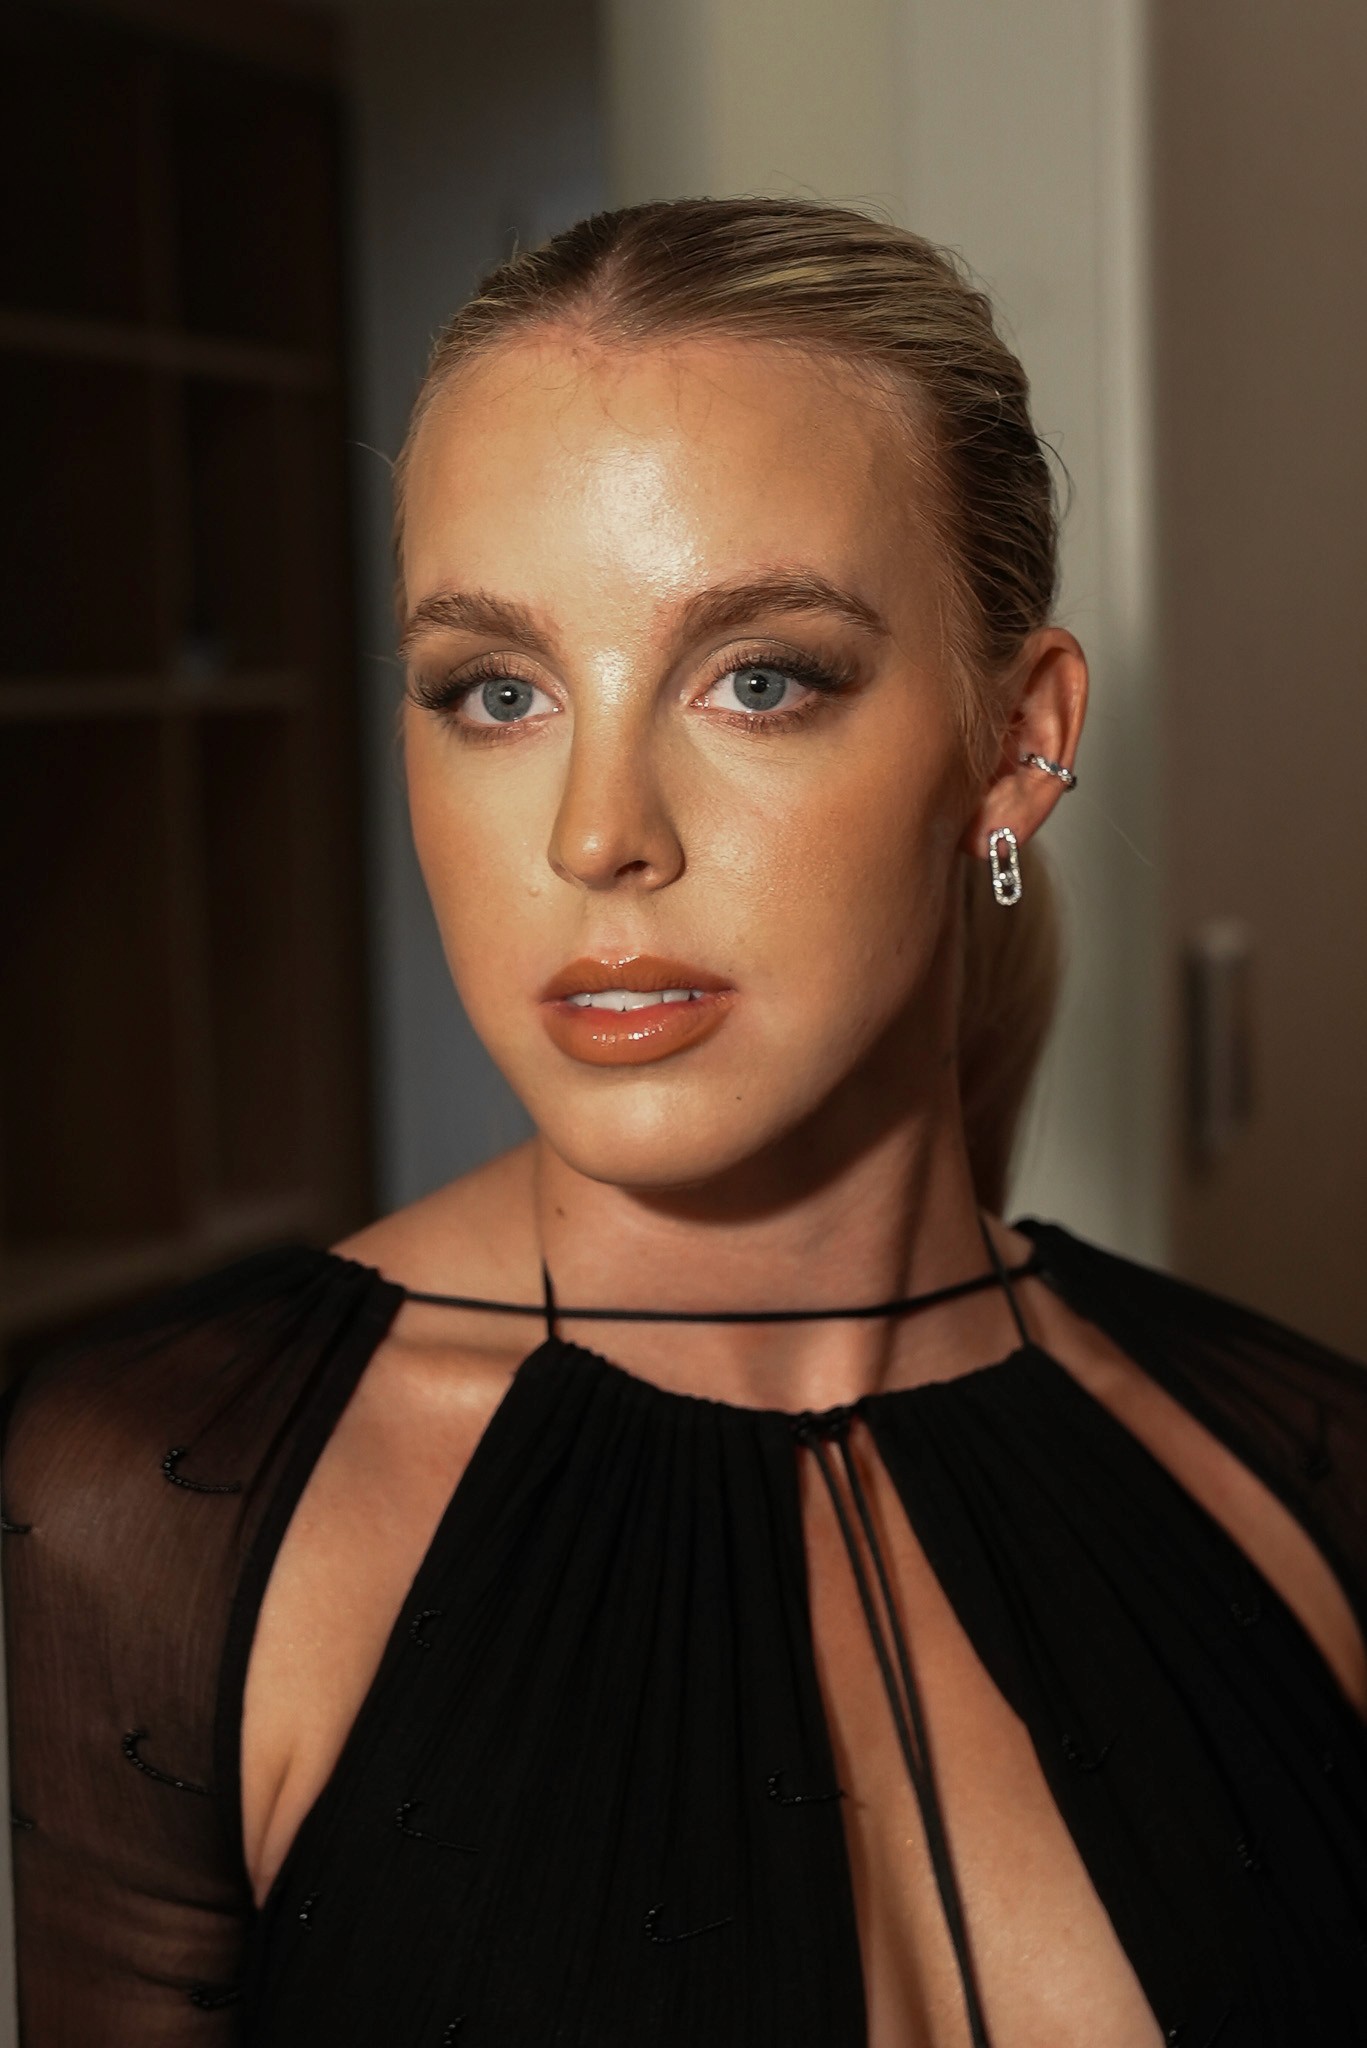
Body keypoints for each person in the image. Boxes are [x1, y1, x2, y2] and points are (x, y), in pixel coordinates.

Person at [3, 198, 1366, 2048]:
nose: (597, 835)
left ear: (1017, 745)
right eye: (497, 693)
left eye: (758, 679)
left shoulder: (1302, 1485)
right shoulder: (176, 1506)